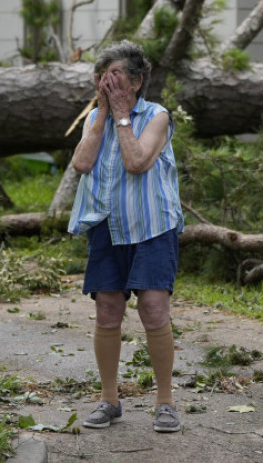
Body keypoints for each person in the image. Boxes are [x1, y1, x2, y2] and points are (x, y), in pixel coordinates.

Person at [68, 40, 184, 433]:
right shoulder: (94, 118)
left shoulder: (157, 116)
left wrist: (121, 114)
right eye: (103, 77)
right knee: (107, 310)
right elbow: (81, 163)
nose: (108, 83)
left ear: (136, 81)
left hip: (152, 226)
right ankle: (109, 399)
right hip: (107, 225)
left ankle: (165, 402)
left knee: (153, 308)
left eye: (116, 76)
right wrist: (103, 112)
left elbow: (136, 162)